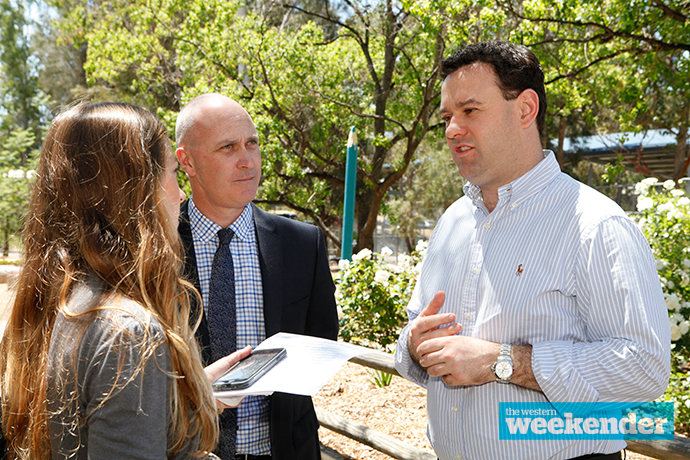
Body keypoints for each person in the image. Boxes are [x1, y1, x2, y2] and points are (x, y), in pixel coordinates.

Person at [394, 41, 671, 460]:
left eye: (470, 111)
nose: (452, 129)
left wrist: (504, 361)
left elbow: (645, 369)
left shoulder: (597, 225)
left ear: (525, 109)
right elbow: (420, 329)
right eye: (447, 117)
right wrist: (415, 343)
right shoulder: (452, 221)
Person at [0, 102, 251, 459]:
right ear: (135, 191)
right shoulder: (128, 334)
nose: (180, 194)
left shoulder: (65, 299)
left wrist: (184, 399)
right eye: (172, 172)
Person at [175, 93, 339, 460]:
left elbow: (321, 338)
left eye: (252, 144)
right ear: (187, 161)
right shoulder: (154, 248)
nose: (247, 161)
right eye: (228, 147)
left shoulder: (302, 243)